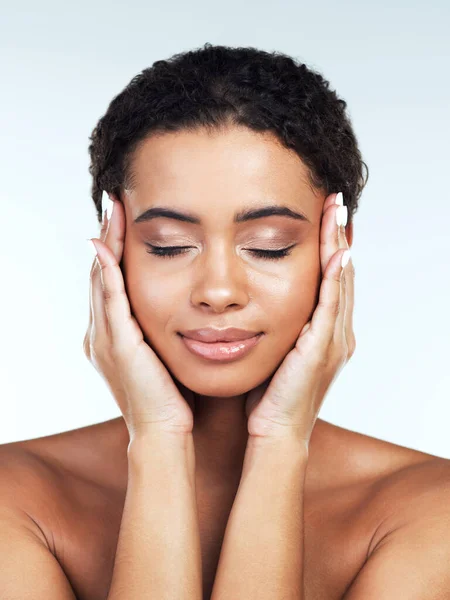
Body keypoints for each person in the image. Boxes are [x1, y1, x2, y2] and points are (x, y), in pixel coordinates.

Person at [1, 43, 449, 600]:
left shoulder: (430, 512)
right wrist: (158, 441)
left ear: (335, 247)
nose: (218, 292)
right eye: (169, 246)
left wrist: (281, 443)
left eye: (269, 246)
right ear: (113, 250)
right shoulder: (15, 499)